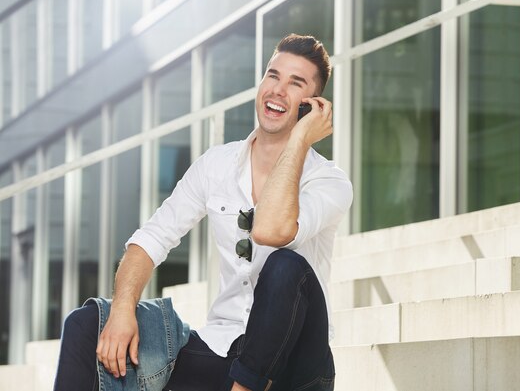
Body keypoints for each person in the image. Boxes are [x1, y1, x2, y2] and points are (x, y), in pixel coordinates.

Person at [53, 33, 353, 391]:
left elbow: (269, 230)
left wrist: (300, 141)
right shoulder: (217, 164)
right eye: (272, 75)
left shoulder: (329, 181)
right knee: (86, 323)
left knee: (284, 265)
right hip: (223, 347)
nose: (277, 90)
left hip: (295, 364)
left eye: (295, 83)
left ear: (312, 105)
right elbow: (151, 239)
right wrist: (121, 309)